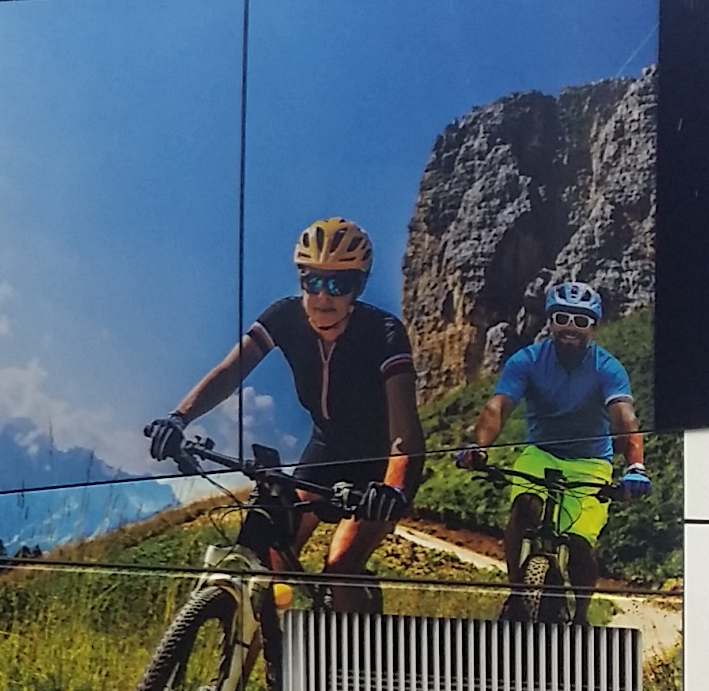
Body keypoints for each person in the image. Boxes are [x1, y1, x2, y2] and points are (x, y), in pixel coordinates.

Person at [145, 217, 421, 613]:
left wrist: (393, 489)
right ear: (301, 280)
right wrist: (179, 418)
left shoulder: (384, 332)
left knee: (339, 568)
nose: (322, 296)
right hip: (325, 451)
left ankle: (361, 646)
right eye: (313, 281)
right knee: (269, 564)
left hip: (378, 462)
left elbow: (404, 433)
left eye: (338, 284)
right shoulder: (284, 316)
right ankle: (262, 651)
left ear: (358, 288)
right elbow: (230, 371)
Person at [457, 279, 650, 617]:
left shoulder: (607, 368)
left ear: (593, 326)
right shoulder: (527, 360)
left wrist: (635, 466)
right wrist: (479, 447)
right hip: (540, 452)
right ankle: (517, 594)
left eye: (581, 320)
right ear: (550, 321)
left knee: (580, 545)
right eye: (562, 318)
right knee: (523, 507)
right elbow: (498, 406)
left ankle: (581, 614)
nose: (570, 327)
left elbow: (624, 417)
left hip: (591, 461)